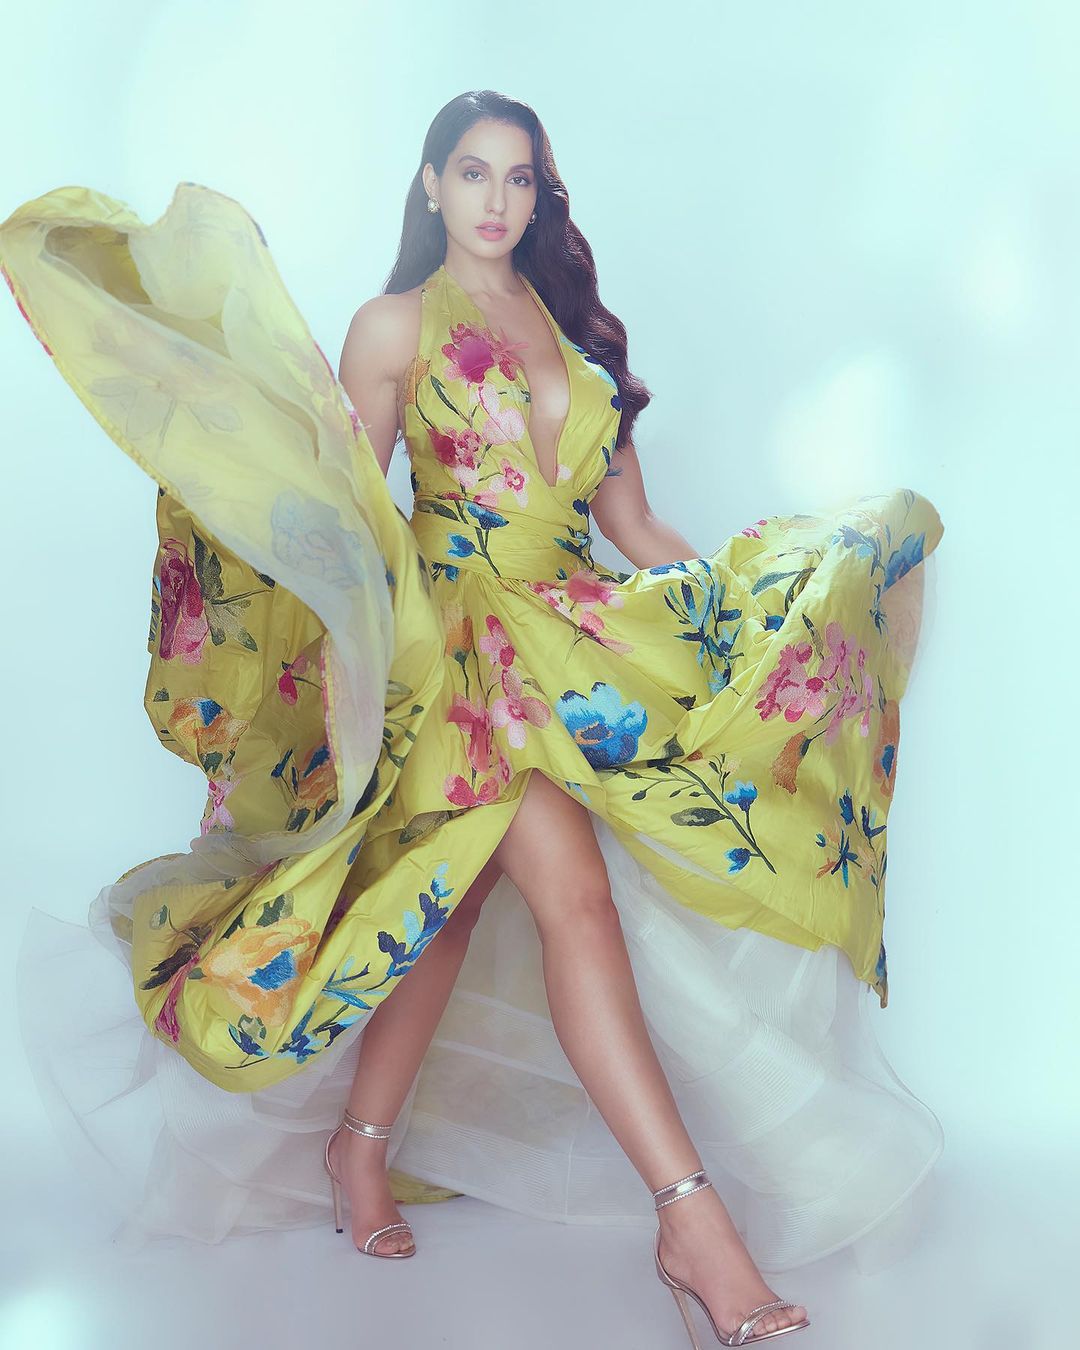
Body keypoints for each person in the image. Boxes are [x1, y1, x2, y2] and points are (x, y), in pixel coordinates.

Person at [1, 88, 944, 1348]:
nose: (498, 199)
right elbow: (343, 517)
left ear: (540, 195)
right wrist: (348, 683)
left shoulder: (580, 342)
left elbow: (634, 528)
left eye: (521, 178)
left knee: (445, 911)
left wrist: (730, 622)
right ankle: (693, 1223)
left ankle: (359, 1145)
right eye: (475, 173)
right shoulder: (394, 326)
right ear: (432, 184)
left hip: (568, 652)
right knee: (575, 903)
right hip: (458, 662)